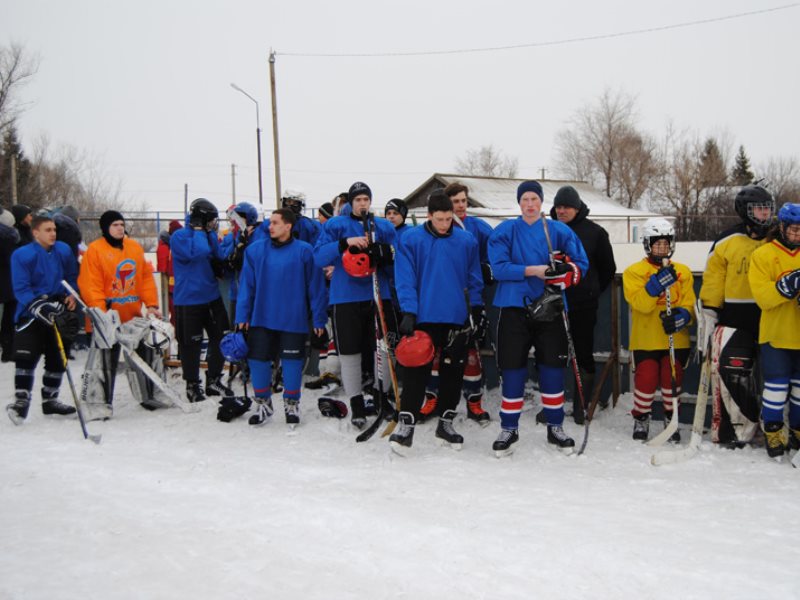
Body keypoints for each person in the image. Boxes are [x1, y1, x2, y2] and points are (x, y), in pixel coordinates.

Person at [487, 180, 589, 456]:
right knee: (512, 368)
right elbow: (499, 268)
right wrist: (536, 270)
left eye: (534, 199)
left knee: (552, 368)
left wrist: (565, 273)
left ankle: (555, 426)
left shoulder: (559, 230)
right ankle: (509, 428)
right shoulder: (505, 231)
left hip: (551, 308)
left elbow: (580, 265)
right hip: (513, 307)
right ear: (519, 202)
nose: (530, 204)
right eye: (525, 199)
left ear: (542, 202)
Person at [389, 190, 483, 454]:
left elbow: (474, 279)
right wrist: (408, 311)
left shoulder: (466, 241)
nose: (445, 225)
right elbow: (404, 278)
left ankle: (446, 424)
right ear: (428, 216)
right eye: (440, 219)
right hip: (423, 317)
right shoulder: (411, 240)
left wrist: (476, 310)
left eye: (448, 219)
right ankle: (406, 427)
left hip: (456, 318)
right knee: (416, 372)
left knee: (453, 373)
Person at [313, 181, 396, 428]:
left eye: (365, 199)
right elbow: (318, 257)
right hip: (346, 297)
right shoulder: (336, 225)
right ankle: (356, 401)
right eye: (358, 200)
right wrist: (343, 244)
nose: (362, 204)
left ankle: (382, 397)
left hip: (378, 295)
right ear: (351, 202)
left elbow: (397, 258)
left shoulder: (382, 226)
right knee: (350, 352)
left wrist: (385, 254)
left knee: (383, 349)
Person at [236, 208, 328, 427]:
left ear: (288, 226)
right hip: (261, 318)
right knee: (258, 362)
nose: (270, 226)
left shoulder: (305, 251)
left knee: (292, 364)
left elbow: (316, 287)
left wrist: (318, 319)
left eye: (276, 222)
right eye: (270, 222)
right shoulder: (255, 250)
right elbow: (246, 286)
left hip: (293, 319)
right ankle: (263, 404)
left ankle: (291, 404)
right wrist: (242, 314)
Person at [699, 185, 775, 447]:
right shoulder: (726, 241)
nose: (764, 214)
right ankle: (738, 430)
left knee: (777, 378)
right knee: (733, 376)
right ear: (745, 211)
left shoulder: (779, 239)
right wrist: (709, 312)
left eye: (768, 209)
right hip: (734, 321)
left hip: (772, 319)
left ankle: (777, 429)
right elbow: (713, 280)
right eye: (759, 209)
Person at [76, 210, 163, 419]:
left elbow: (144, 278)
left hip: (131, 316)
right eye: (115, 225)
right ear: (106, 227)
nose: (120, 228)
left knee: (146, 353)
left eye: (122, 224)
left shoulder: (133, 247)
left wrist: (151, 304)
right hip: (106, 318)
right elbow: (91, 284)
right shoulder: (95, 251)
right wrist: (100, 312)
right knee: (104, 362)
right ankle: (99, 404)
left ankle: (149, 395)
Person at [421, 182, 494, 426]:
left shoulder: (477, 228)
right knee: (436, 354)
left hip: (467, 300)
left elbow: (496, 249)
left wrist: (489, 268)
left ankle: (474, 401)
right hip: (439, 301)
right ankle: (433, 397)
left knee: (470, 353)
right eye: (456, 202)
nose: (461, 206)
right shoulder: (433, 230)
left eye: (464, 201)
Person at [543, 185, 616, 424]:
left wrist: (591, 290)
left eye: (567, 207)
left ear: (577, 208)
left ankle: (581, 404)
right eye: (559, 207)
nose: (562, 211)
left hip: (583, 306)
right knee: (552, 354)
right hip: (552, 304)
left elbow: (607, 269)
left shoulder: (595, 233)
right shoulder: (546, 230)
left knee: (582, 353)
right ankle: (552, 405)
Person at [623, 218, 695, 442]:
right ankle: (641, 417)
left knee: (671, 379)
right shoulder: (634, 271)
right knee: (646, 377)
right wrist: (654, 287)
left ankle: (670, 418)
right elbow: (640, 305)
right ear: (647, 244)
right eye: (657, 244)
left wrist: (683, 317)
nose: (662, 248)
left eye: (666, 243)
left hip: (675, 339)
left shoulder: (682, 271)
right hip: (646, 337)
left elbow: (689, 304)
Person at [6, 215, 79, 425]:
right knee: (26, 357)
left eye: (54, 229)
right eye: (48, 230)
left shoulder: (63, 250)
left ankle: (50, 400)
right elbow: (20, 288)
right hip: (30, 312)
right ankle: (21, 402)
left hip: (58, 310)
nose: (53, 233)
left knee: (57, 358)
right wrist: (39, 306)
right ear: (35, 232)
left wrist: (72, 295)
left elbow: (72, 278)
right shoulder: (22, 255)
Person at [747, 203, 800, 461]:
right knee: (776, 388)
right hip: (776, 334)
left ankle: (798, 432)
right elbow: (763, 298)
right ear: (782, 227)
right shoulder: (764, 254)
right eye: (794, 229)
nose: (798, 234)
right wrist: (785, 287)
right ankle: (774, 431)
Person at [170, 198, 233, 403]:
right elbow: (199, 252)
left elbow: (216, 254)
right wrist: (198, 230)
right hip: (189, 300)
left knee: (221, 338)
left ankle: (213, 379)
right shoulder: (180, 236)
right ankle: (192, 384)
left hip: (211, 296)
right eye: (211, 220)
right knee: (191, 344)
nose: (214, 224)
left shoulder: (208, 234)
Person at [0, 208, 21, 362]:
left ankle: (7, 349)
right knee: (9, 317)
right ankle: (8, 350)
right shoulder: (9, 237)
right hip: (8, 282)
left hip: (6, 281)